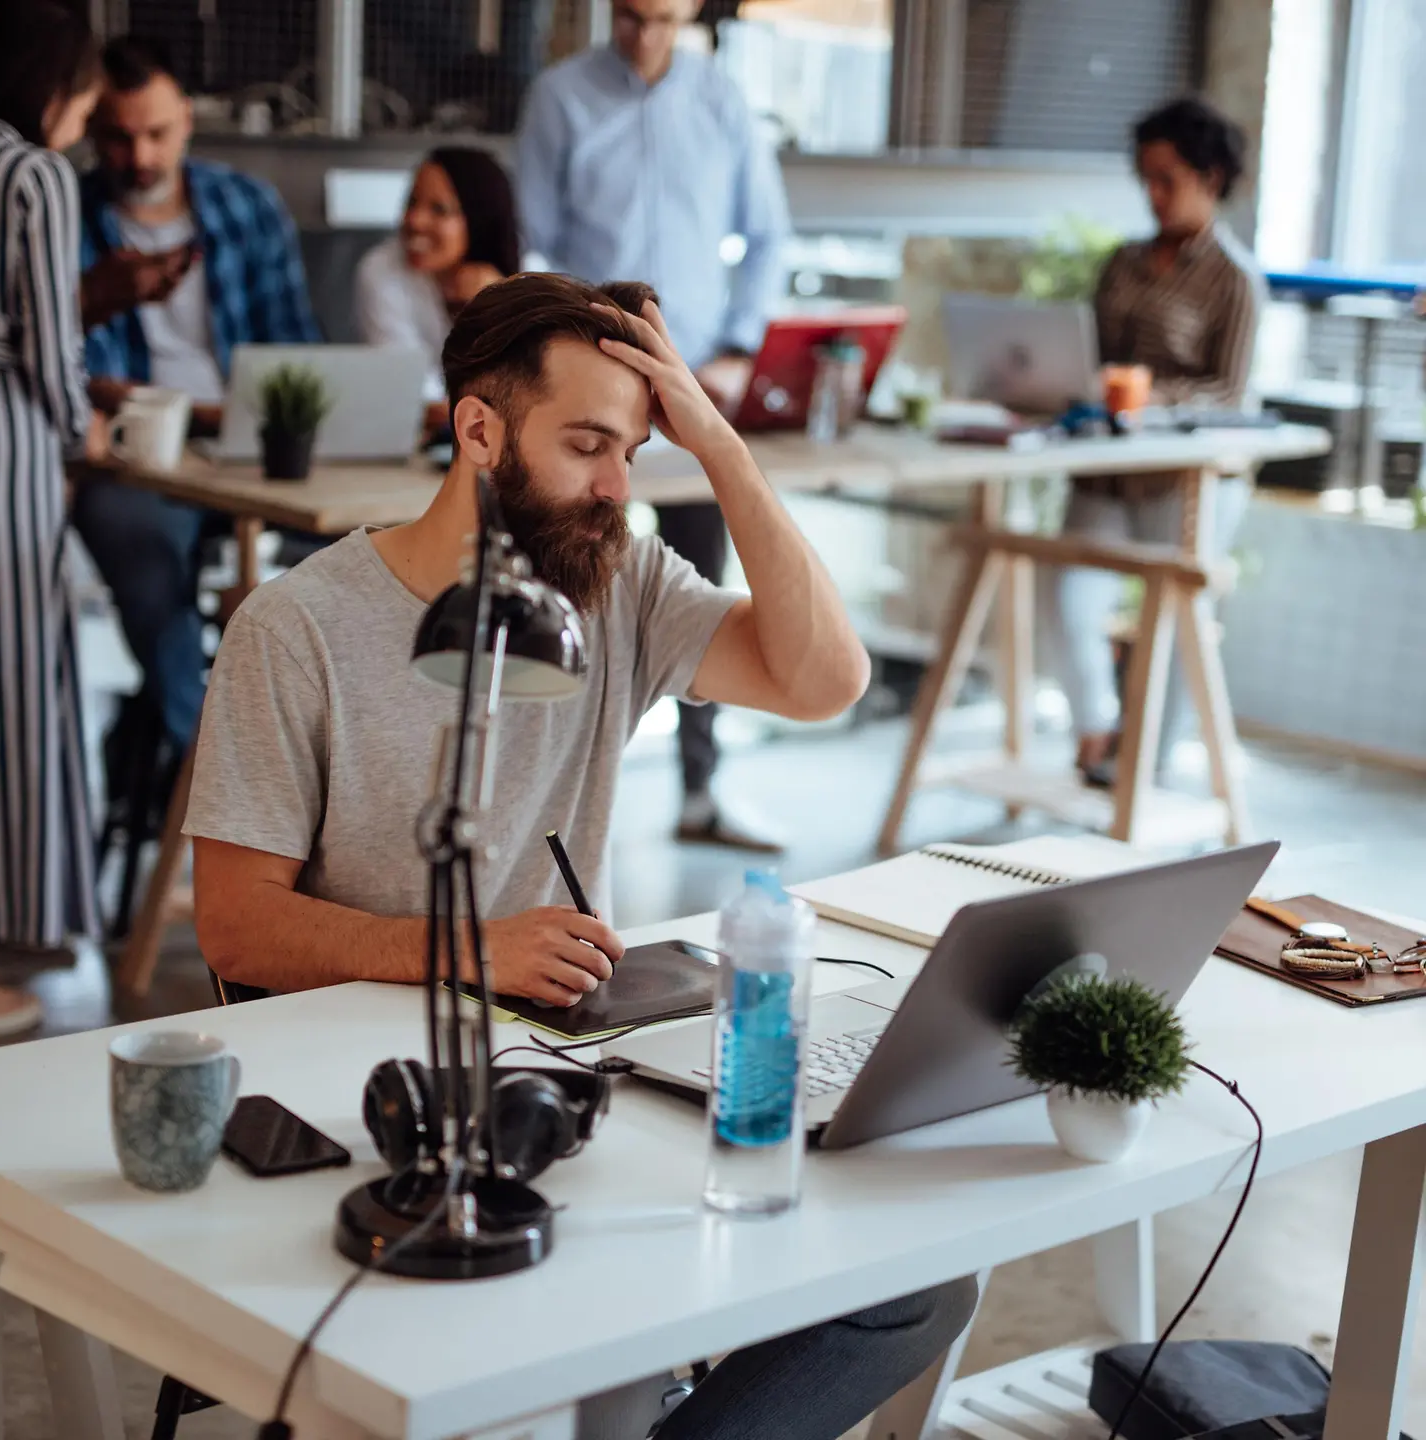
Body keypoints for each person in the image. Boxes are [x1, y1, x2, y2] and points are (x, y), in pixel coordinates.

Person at [182, 269, 973, 1438]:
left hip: (570, 1080)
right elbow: (235, 924)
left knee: (915, 1286)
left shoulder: (616, 586)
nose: (617, 486)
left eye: (636, 452)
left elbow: (826, 681)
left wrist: (720, 448)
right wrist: (466, 952)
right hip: (384, 1100)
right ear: (479, 429)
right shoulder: (295, 628)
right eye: (588, 445)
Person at [516, 0, 792, 851]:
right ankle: (534, 801)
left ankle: (700, 793)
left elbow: (769, 237)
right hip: (585, 396)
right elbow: (531, 240)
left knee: (698, 587)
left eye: (663, 18)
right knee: (563, 568)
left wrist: (740, 350)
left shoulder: (723, 102)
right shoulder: (560, 96)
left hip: (690, 386)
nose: (644, 35)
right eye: (631, 16)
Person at [71, 34, 320, 761]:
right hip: (139, 457)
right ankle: (214, 759)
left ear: (186, 115)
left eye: (156, 133)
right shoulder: (67, 218)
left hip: (250, 443)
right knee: (138, 543)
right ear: (90, 128)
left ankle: (327, 755)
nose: (140, 156)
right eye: (118, 138)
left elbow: (297, 352)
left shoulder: (247, 207)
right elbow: (82, 375)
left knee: (365, 547)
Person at [1047, 96, 1265, 788]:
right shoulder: (1124, 261)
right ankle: (1095, 730)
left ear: (1211, 176)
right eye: (1146, 177)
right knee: (1066, 595)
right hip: (1107, 467)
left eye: (1168, 178)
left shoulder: (1234, 280)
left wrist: (1150, 395)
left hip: (1183, 477)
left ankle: (1146, 766)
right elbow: (1091, 352)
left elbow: (1228, 391)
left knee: (1172, 621)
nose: (1153, 193)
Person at [0, 1, 104, 1034]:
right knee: (15, 675)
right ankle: (12, 932)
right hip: (1, 442)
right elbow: (46, 341)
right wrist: (84, 433)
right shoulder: (31, 174)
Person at [355, 146, 521, 432]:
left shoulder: (530, 276)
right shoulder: (381, 270)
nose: (414, 221)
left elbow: (537, 388)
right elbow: (410, 390)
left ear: (479, 218)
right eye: (412, 203)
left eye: (438, 209)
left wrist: (495, 312)